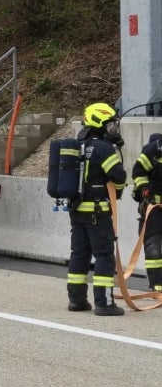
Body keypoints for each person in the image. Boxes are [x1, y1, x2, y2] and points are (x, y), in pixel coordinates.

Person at [66, 102, 126, 316]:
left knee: (79, 254)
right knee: (104, 256)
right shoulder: (103, 148)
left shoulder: (78, 145)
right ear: (99, 123)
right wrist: (118, 188)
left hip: (77, 211)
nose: (113, 129)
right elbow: (119, 176)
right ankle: (104, 303)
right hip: (97, 212)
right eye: (110, 124)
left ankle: (77, 300)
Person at [131, 132, 162, 294]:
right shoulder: (154, 150)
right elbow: (138, 172)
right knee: (153, 245)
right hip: (154, 207)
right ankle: (157, 283)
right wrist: (145, 189)